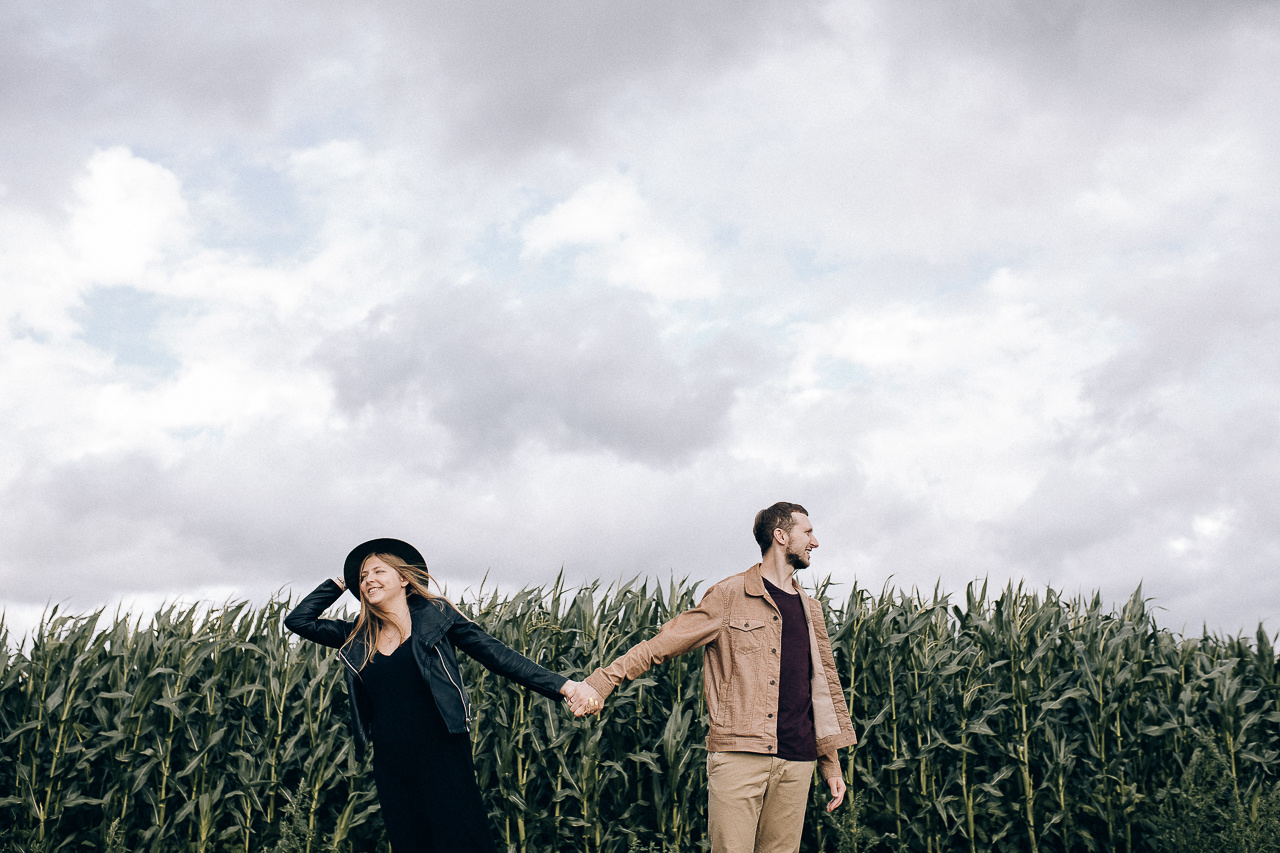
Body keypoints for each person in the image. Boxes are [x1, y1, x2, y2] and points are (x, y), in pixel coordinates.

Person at [565, 503, 857, 853]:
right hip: (740, 755)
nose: (815, 542)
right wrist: (601, 682)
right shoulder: (730, 596)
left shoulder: (811, 609)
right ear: (781, 536)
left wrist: (831, 764)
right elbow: (661, 645)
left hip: (797, 760)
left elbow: (817, 690)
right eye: (807, 533)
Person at [285, 537, 595, 853]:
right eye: (363, 577)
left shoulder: (437, 616)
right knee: (410, 841)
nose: (368, 581)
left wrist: (563, 686)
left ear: (404, 578)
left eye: (378, 572)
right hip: (391, 757)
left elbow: (495, 654)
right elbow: (298, 621)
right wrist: (342, 580)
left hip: (441, 745)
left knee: (462, 837)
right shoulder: (356, 634)